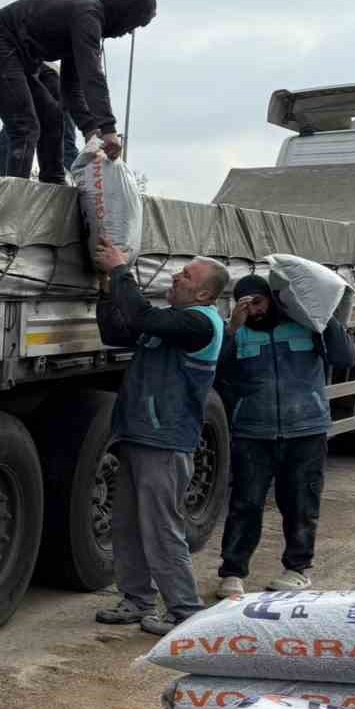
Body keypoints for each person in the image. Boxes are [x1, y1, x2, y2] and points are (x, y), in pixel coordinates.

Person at [93, 239, 230, 635]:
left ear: (203, 293)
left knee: (161, 528)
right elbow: (117, 332)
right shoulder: (172, 323)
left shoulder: (201, 323)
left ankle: (185, 611)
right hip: (139, 435)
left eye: (186, 275)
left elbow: (140, 317)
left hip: (165, 442)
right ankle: (136, 600)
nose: (176, 275)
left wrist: (121, 270)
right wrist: (106, 288)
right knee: (127, 526)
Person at [213, 275, 355, 598]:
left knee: (300, 503)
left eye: (258, 301)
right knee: (245, 504)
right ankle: (233, 572)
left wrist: (324, 315)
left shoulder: (306, 325)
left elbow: (346, 358)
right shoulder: (237, 332)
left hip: (306, 429)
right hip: (253, 432)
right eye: (245, 303)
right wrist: (232, 329)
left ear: (274, 299)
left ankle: (297, 569)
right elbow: (213, 370)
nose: (253, 308)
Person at [0, 0, 157, 183]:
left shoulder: (85, 22)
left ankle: (53, 183)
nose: (128, 32)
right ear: (124, 13)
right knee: (25, 126)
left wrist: (90, 129)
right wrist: (108, 129)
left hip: (12, 58)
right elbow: (92, 77)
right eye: (133, 24)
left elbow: (71, 88)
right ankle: (16, 200)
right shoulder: (88, 18)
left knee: (53, 117)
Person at [0, 33, 79, 178]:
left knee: (0, 149)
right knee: (64, 147)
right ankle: (91, 181)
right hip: (56, 92)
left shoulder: (0, 58)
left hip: (51, 88)